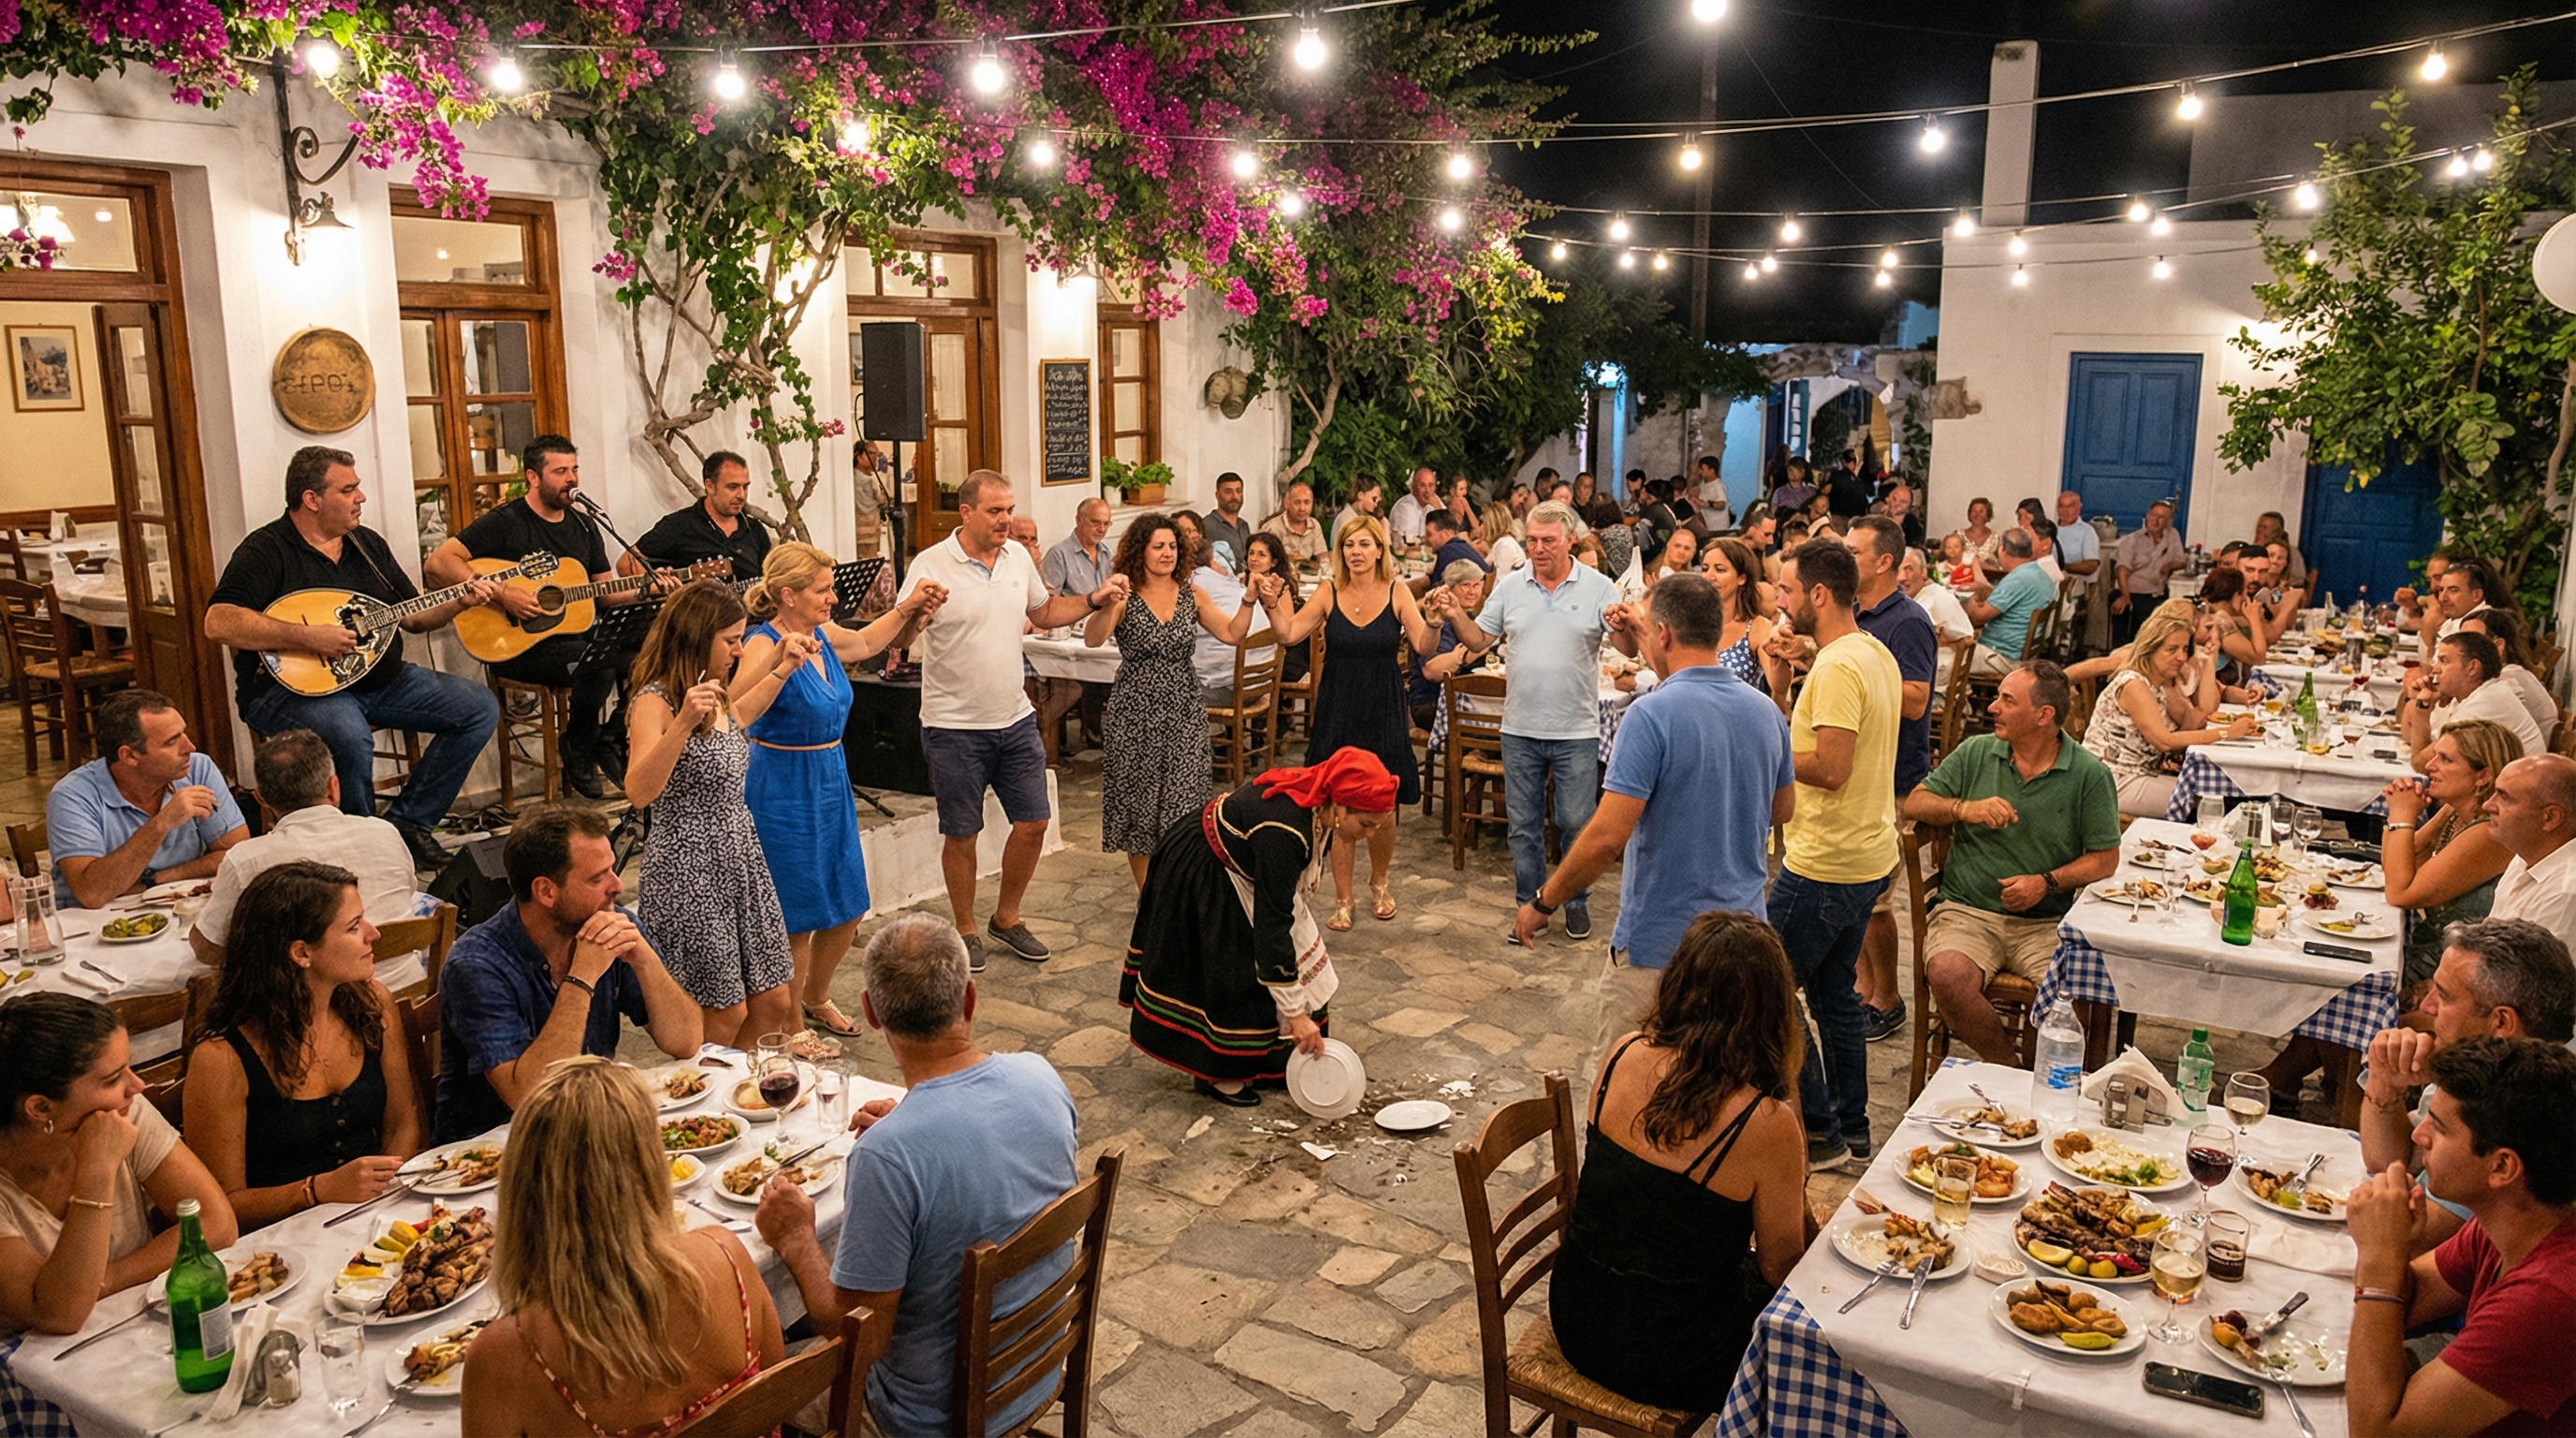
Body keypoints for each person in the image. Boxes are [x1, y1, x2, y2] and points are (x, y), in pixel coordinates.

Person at [754, 916, 1078, 1438]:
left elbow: (859, 1337)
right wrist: (913, 1119)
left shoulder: (887, 1157)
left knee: (745, 1385)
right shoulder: (1041, 1077)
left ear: (871, 1012)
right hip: (1033, 1372)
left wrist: (795, 1241)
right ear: (969, 998)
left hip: (923, 1421)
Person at [1549, 911, 1819, 1413]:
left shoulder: (1622, 1053)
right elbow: (1782, 1267)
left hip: (1579, 1312)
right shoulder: (1765, 1121)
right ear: (1771, 1010)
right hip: (1675, 1356)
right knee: (1816, 1347)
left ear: (1677, 983)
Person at [1514, 576, 1794, 1036]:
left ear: (1663, 634)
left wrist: (1545, 901)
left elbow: (1606, 839)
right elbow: (1782, 810)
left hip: (1662, 946)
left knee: (1628, 1091)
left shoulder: (1651, 714)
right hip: (1744, 943)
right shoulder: (1765, 711)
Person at [204, 446, 503, 870]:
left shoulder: (366, 545)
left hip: (381, 680)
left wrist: (462, 601)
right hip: (289, 690)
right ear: (312, 499)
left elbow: (414, 618)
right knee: (348, 733)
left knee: (478, 708)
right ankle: (361, 849)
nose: (361, 497)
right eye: (349, 489)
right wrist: (308, 637)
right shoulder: (266, 550)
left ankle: (408, 826)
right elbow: (218, 622)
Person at [461, 1059, 786, 1438]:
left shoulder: (507, 1354)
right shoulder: (727, 1254)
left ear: (522, 1185)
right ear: (649, 1165)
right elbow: (779, 1398)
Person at [903, 472, 1124, 963]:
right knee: (962, 832)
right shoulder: (932, 563)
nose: (1006, 520)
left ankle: (1006, 917)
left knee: (1034, 823)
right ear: (966, 513)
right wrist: (917, 612)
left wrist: (1094, 599)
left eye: (1009, 510)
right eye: (995, 511)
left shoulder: (1018, 557)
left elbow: (1044, 614)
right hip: (953, 724)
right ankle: (964, 927)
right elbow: (901, 640)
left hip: (1014, 718)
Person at [737, 543, 941, 1014]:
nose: (833, 599)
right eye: (822, 590)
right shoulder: (762, 643)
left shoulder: (822, 634)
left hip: (830, 779)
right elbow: (736, 707)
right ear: (788, 595)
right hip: (782, 787)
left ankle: (815, 995)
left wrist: (907, 607)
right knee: (796, 918)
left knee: (849, 906)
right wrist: (778, 668)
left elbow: (868, 642)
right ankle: (790, 1027)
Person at [1122, 749, 1390, 1106]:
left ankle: (1275, 1063)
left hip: (1245, 864)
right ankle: (1219, 1074)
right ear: (1339, 806)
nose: (1371, 834)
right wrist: (1295, 1013)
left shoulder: (1318, 807)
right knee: (1233, 969)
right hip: (1206, 869)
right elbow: (1272, 926)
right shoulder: (1284, 832)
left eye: (1377, 825)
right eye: (1366, 825)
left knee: (1288, 964)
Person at [2346, 1035, 2576, 1435]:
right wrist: (2391, 1251)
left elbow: (2375, 1432)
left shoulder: (2550, 1298)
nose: (2419, 1137)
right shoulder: (2504, 1224)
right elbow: (2410, 1301)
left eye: (2440, 1127)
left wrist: (2380, 1254)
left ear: (2503, 1168)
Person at [432, 805, 703, 1142]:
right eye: (596, 878)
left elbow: (686, 1041)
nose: (617, 886)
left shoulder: (612, 924)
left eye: (612, 870)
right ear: (546, 891)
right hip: (496, 1153)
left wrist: (644, 960)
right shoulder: (477, 964)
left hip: (586, 1130)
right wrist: (582, 978)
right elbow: (530, 1098)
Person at [1901, 663, 2121, 1062]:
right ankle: (2009, 1068)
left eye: (2007, 700)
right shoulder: (1977, 752)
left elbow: (2105, 860)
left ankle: (2056, 1083)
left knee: (2078, 995)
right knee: (1948, 975)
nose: (1992, 709)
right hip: (1966, 913)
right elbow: (1915, 802)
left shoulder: (2089, 775)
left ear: (2044, 716)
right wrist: (1963, 808)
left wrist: (2046, 883)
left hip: (2045, 923)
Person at [427, 434, 665, 801]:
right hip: (519, 646)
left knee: (651, 647)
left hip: (574, 639)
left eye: (574, 469)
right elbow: (439, 563)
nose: (571, 479)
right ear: (533, 477)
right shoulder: (504, 522)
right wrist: (503, 594)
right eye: (560, 471)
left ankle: (610, 737)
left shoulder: (585, 526)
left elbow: (603, 594)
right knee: (598, 664)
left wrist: (648, 589)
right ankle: (580, 744)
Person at [185, 861, 422, 1229]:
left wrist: (386, 1191)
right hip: (280, 1248)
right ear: (301, 953)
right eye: (354, 926)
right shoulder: (222, 1057)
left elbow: (403, 1120)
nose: (373, 934)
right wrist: (318, 1190)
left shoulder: (372, 1005)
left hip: (375, 1220)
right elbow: (221, 1207)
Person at [1767, 538, 1901, 1171]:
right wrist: (1783, 679)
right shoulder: (1871, 651)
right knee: (1833, 999)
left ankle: (1819, 1128)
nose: (1778, 602)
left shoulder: (1840, 667)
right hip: (1865, 853)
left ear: (1819, 594)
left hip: (1826, 859)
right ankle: (1854, 1128)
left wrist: (1763, 760)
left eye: (1787, 591)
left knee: (1768, 990)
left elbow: (1831, 766)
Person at [622, 580, 798, 1049]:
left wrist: (781, 670)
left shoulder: (711, 691)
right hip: (688, 866)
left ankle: (737, 1089)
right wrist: (679, 725)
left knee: (774, 1000)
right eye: (731, 640)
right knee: (725, 1011)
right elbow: (638, 792)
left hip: (739, 856)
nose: (739, 651)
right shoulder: (655, 702)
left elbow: (736, 719)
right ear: (698, 638)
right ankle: (704, 1103)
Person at [1439, 501, 1625, 940]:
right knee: (1523, 825)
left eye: (1548, 541)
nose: (1538, 549)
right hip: (1519, 727)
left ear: (1569, 541)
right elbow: (1479, 640)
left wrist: (1627, 625)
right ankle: (1530, 905)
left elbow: (1629, 649)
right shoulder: (1510, 586)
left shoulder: (1599, 587)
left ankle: (1574, 901)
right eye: (1532, 541)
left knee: (1576, 822)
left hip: (1576, 729)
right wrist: (1454, 615)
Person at [0, 992, 234, 1338]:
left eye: (130, 1066)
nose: (137, 1086)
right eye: (112, 1079)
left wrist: (104, 1280)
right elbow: (58, 1315)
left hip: (130, 1331)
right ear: (41, 1108)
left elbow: (217, 1225)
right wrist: (97, 1172)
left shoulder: (124, 1111)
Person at [1264, 513, 1443, 929]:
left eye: (1364, 544)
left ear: (1380, 550)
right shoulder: (1329, 591)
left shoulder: (1397, 591)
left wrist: (1434, 621)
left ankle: (1379, 881)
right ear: (1341, 551)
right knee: (1338, 801)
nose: (1356, 552)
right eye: (1349, 545)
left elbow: (1423, 644)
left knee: (1385, 801)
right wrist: (1272, 603)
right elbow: (1289, 633)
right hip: (1338, 703)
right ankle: (1343, 897)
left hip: (1383, 705)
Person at [2359, 919, 2576, 1254]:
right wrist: (2384, 1084)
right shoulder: (2480, 1062)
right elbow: (2390, 1163)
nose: (2425, 1006)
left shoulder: (2525, 1106)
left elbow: (2413, 1242)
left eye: (2443, 995)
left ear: (2500, 1022)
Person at [1088, 516, 1261, 888]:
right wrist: (1105, 602)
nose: (1167, 554)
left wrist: (1248, 600)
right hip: (1135, 711)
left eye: (1172, 546)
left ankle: (1176, 892)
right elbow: (1092, 639)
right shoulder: (1126, 594)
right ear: (1140, 551)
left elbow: (1232, 633)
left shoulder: (1191, 594)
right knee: (1141, 808)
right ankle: (1148, 898)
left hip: (1183, 708)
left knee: (1184, 805)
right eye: (1158, 547)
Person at [190, 728, 420, 969]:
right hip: (411, 991)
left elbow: (207, 949)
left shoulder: (245, 860)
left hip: (315, 1004)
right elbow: (409, 895)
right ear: (333, 788)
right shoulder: (385, 832)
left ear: (261, 799)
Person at [1849, 516, 1939, 1040]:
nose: (1846, 560)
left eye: (1854, 552)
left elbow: (1916, 699)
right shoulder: (1857, 612)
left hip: (1894, 777)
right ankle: (1862, 990)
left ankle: (1888, 998)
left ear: (1884, 562)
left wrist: (1857, 673)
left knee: (1876, 899)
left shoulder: (1906, 621)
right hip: (1861, 769)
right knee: (1856, 894)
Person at [47, 690, 247, 911]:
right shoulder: (72, 796)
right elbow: (93, 894)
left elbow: (237, 858)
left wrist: (154, 879)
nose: (189, 747)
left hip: (179, 907)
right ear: (130, 756)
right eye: (172, 742)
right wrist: (163, 822)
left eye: (184, 734)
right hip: (94, 925)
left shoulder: (198, 769)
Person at [2082, 606, 2260, 817]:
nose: (2181, 657)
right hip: (2111, 782)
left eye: (2185, 649)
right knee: (2210, 800)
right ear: (2149, 649)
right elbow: (2164, 741)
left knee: (2218, 788)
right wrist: (2226, 733)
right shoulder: (2134, 685)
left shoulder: (2157, 686)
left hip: (2138, 773)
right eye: (2171, 650)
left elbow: (2197, 716)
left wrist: (2209, 664)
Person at [2385, 722, 2521, 990]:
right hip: (2431, 944)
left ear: (2483, 776)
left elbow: (2400, 893)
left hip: (2460, 970)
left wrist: (2401, 817)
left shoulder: (2491, 831)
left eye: (2445, 759)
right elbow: (2401, 865)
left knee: (2338, 986)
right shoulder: (2457, 813)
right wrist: (2407, 815)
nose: (2429, 766)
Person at [2405, 632, 2549, 770]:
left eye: (2443, 661)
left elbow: (2423, 764)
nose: (2435, 669)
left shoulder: (2485, 702)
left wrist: (2422, 709)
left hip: (2517, 792)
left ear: (2472, 668)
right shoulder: (2474, 694)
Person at [626, 449, 774, 584]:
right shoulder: (679, 525)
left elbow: (769, 583)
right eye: (732, 487)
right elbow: (626, 564)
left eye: (745, 487)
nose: (741, 495)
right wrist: (655, 588)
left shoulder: (755, 531)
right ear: (710, 486)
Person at [2485, 755, 2576, 934]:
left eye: (2504, 798)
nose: (2488, 805)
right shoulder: (2526, 854)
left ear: (2550, 817)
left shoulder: (2566, 894)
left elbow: (2531, 963)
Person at [1699, 536, 1790, 703]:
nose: (1709, 576)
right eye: (1705, 569)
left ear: (1742, 578)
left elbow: (1779, 687)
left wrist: (1779, 657)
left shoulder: (1758, 627)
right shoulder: (1690, 623)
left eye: (1720, 570)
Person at [1409, 562, 1488, 732]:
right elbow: (1432, 671)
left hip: (1457, 698)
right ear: (1449, 589)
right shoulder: (1441, 619)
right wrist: (1466, 654)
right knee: (1497, 731)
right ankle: (1470, 756)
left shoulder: (1466, 615)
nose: (1472, 591)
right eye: (1465, 585)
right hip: (1430, 704)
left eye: (1477, 585)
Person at [2456, 607, 2559, 738]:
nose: (2461, 649)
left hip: (2531, 757)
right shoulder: (2511, 672)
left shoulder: (2508, 679)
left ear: (2499, 645)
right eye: (2460, 640)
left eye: (2473, 642)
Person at [1964, 529, 2056, 672]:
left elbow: (1977, 618)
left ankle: (1953, 693)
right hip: (2022, 652)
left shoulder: (2018, 579)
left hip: (2002, 657)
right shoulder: (2040, 573)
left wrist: (1965, 598)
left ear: (2002, 550)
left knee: (1944, 655)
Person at [2111, 500, 2188, 643]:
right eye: (2153, 515)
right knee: (2130, 618)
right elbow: (2122, 571)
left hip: (2157, 593)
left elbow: (2182, 561)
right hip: (2131, 591)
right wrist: (2125, 596)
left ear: (2169, 521)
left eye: (2162, 517)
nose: (2156, 520)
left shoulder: (2172, 536)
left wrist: (2170, 565)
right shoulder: (2132, 540)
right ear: (2147, 516)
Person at [1238, 532, 1310, 686]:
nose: (1254, 558)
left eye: (1261, 554)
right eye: (1251, 553)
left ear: (1273, 562)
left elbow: (1286, 629)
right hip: (1252, 648)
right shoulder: (1241, 584)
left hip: (1282, 653)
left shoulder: (1280, 586)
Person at [1039, 496, 1115, 603]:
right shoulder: (1059, 555)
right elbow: (1049, 604)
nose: (1102, 529)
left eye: (1106, 524)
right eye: (1095, 522)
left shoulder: (1108, 553)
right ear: (1079, 520)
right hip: (1075, 618)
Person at [1258, 479, 1329, 568]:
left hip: (1306, 576)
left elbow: (1322, 555)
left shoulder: (1314, 525)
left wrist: (1324, 564)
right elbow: (1263, 559)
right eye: (1297, 502)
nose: (1302, 508)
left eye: (1307, 502)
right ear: (1287, 503)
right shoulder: (1274, 528)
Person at [1200, 471, 1255, 575]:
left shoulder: (1244, 525)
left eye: (1238, 491)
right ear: (1217, 495)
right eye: (1228, 492)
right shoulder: (1207, 526)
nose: (1235, 496)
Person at [1387, 465, 1442, 550]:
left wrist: (1439, 510)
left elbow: (1450, 532)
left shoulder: (1435, 502)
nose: (1428, 490)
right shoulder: (1404, 508)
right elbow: (1406, 544)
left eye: (1431, 485)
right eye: (1422, 485)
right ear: (1413, 487)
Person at [2250, 509, 2307, 588]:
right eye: (2259, 526)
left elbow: (2300, 580)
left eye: (2265, 527)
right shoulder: (2249, 549)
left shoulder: (2291, 552)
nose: (2260, 530)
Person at [1478, 503, 1527, 579]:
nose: (1481, 527)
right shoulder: (1502, 543)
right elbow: (1482, 567)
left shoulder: (1504, 546)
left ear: (1491, 525)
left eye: (1483, 523)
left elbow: (1502, 584)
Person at [1951, 495, 1997, 573]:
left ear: (1988, 514)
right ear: (1969, 514)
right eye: (1974, 511)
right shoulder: (1958, 535)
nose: (1977, 514)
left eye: (1981, 511)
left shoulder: (1997, 538)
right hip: (1962, 579)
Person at [1332, 478, 1384, 545]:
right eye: (1374, 499)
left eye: (1378, 501)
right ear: (1360, 495)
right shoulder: (1346, 519)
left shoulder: (1358, 516)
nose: (1376, 504)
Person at [1823, 451, 1871, 519]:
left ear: (1844, 462)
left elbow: (1824, 493)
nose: (1852, 463)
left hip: (1837, 518)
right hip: (1855, 520)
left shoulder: (1835, 475)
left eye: (1853, 462)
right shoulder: (1860, 482)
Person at [1881, 482, 1925, 551]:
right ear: (1888, 499)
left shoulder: (1912, 527)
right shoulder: (1878, 518)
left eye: (1903, 502)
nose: (1897, 504)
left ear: (1909, 507)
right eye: (1894, 499)